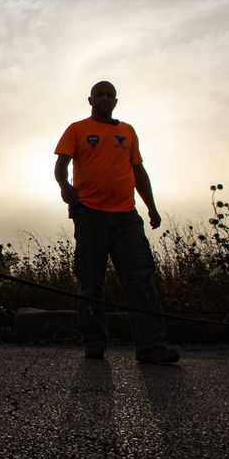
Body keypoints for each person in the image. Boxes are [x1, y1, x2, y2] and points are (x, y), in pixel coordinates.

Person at [53, 80, 179, 365]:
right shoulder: (77, 129)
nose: (104, 99)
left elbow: (138, 171)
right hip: (90, 214)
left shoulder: (127, 132)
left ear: (116, 101)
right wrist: (63, 185)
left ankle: (151, 346)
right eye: (99, 95)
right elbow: (61, 164)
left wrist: (152, 207)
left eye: (109, 95)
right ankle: (94, 342)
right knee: (91, 280)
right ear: (90, 100)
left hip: (126, 217)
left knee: (139, 277)